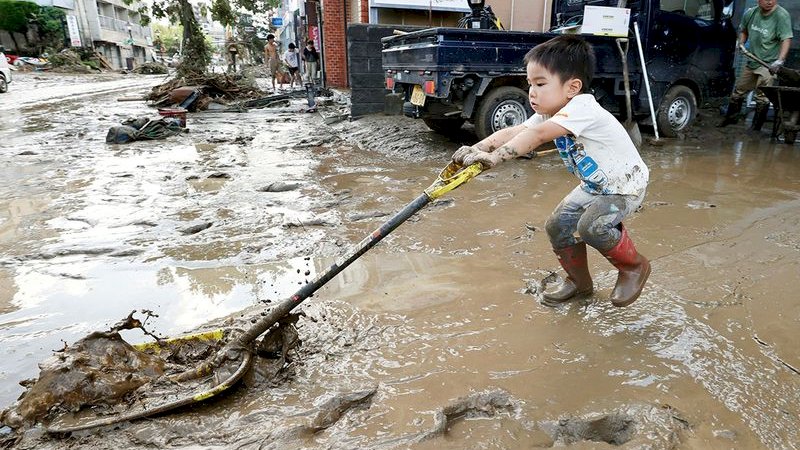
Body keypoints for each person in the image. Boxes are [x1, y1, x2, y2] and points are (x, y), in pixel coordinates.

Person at [453, 35, 650, 308]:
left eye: (540, 84)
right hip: (594, 185)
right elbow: (518, 130)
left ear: (573, 87)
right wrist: (478, 148)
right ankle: (579, 282)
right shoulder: (549, 111)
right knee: (557, 226)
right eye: (530, 83)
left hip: (624, 186)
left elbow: (537, 136)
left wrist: (496, 158)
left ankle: (633, 267)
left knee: (591, 226)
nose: (531, 91)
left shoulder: (583, 108)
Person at [717, 0, 793, 130]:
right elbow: (744, 30)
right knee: (739, 90)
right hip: (752, 60)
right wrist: (741, 43)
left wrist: (780, 61)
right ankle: (730, 119)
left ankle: (755, 128)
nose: (770, 2)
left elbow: (786, 39)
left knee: (762, 96)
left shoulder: (782, 15)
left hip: (769, 64)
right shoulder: (751, 13)